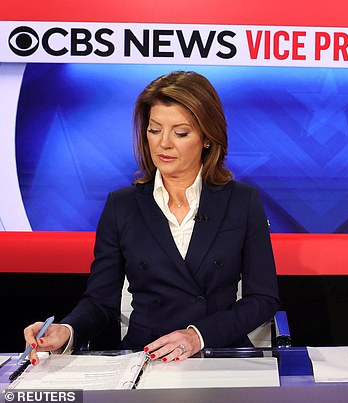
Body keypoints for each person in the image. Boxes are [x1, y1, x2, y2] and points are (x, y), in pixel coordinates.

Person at [23, 71, 280, 364]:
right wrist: (67, 331)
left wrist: (197, 335)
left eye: (180, 133)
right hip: (146, 356)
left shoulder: (242, 201)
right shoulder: (122, 206)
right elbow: (99, 302)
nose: (163, 144)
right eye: (154, 130)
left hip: (219, 353)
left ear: (207, 138)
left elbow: (263, 299)